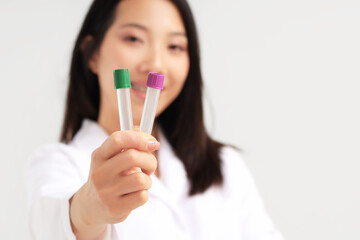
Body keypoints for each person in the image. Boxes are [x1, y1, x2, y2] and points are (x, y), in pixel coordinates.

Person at [27, 0, 283, 239]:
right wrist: (90, 208)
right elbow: (55, 223)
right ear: (92, 54)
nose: (156, 64)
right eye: (134, 38)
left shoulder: (224, 165)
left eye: (175, 46)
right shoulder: (57, 163)